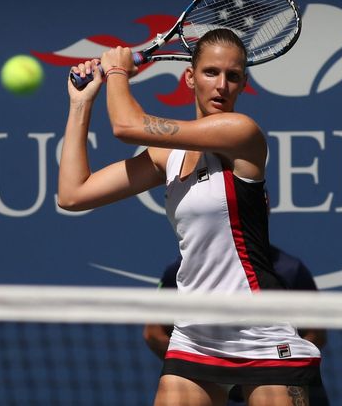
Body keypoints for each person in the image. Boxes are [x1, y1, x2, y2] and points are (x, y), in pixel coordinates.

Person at [59, 28, 321, 406]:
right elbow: (73, 194)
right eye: (211, 72)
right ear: (190, 78)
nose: (222, 85)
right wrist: (80, 104)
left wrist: (116, 72)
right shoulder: (168, 157)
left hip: (261, 333)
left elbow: (126, 126)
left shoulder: (241, 133)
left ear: (244, 84)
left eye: (233, 76)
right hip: (195, 334)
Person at [144, 246, 330, 405]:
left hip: (270, 373)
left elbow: (315, 332)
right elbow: (153, 332)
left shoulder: (290, 268)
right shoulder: (181, 268)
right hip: (205, 375)